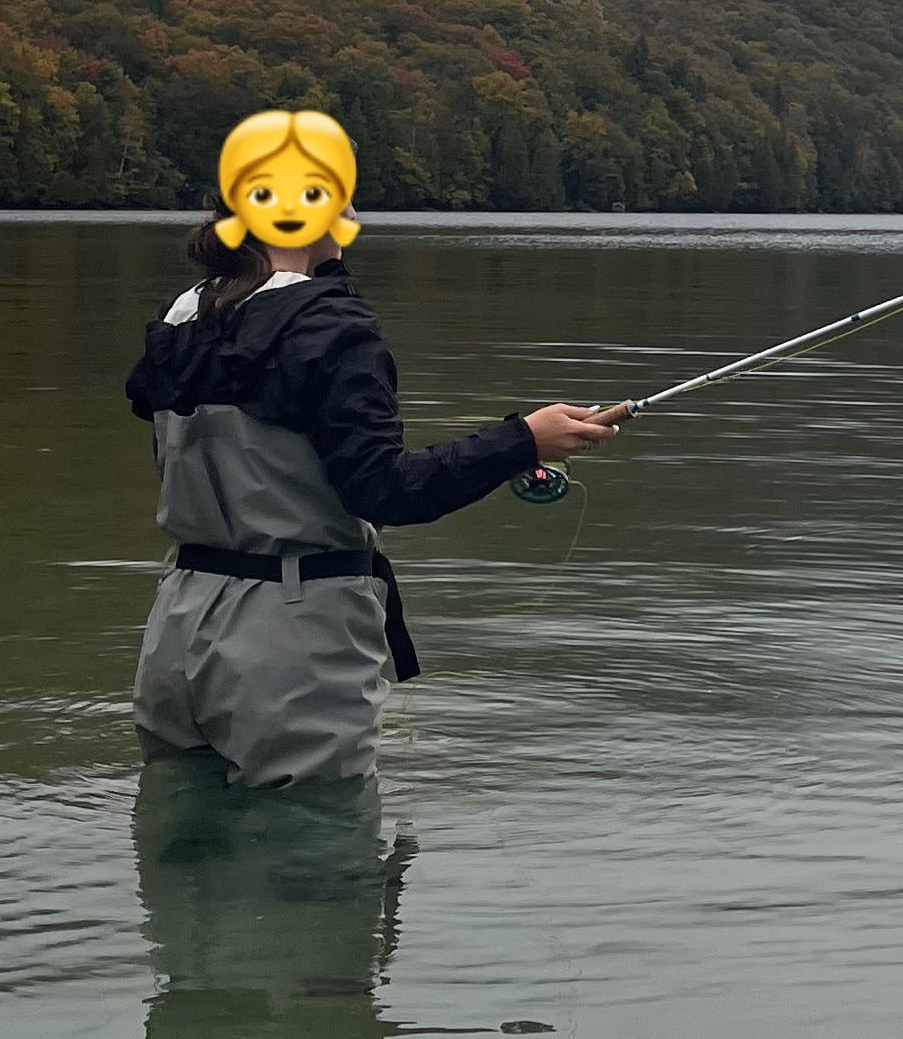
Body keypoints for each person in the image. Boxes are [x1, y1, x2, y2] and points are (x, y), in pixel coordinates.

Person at [124, 106, 613, 789]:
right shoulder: (332, 326)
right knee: (316, 848)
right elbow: (385, 490)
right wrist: (523, 440)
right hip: (292, 635)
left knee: (181, 837)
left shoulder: (183, 316)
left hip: (178, 623)